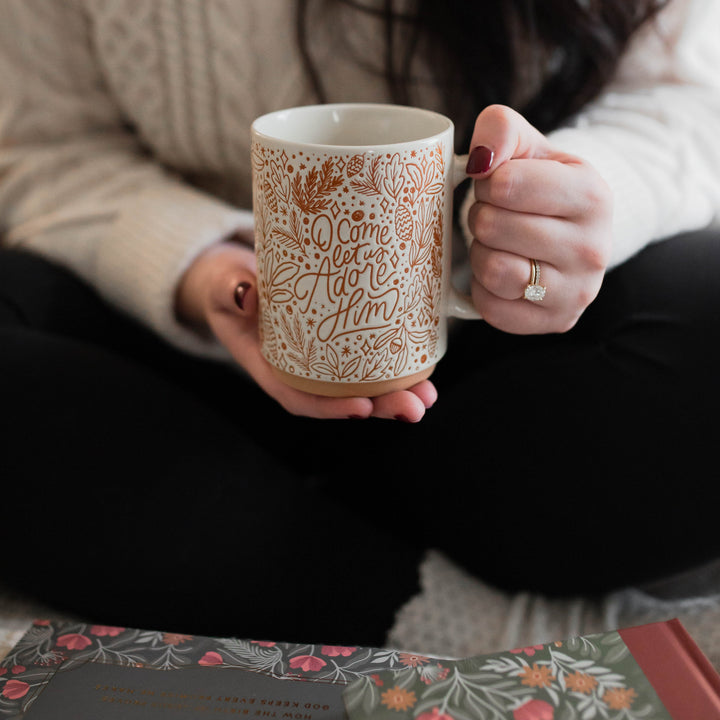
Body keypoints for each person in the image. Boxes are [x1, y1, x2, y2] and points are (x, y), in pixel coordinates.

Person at [1, 0, 719, 661]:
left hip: (490, 384)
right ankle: (442, 621)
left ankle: (243, 532)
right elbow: (47, 150)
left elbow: (682, 100)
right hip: (180, 351)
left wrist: (583, 202)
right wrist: (206, 274)